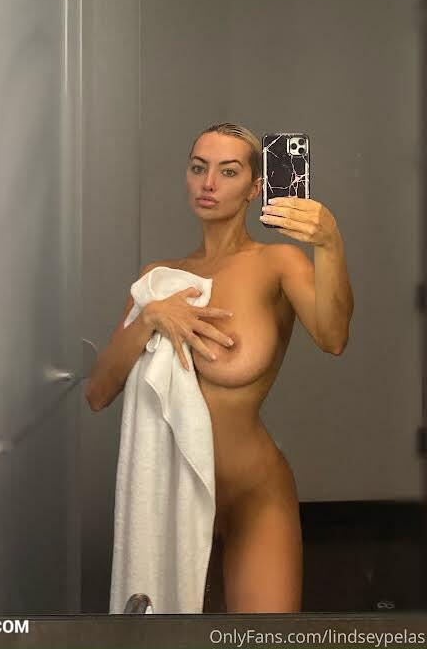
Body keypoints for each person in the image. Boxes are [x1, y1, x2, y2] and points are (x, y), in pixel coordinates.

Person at [85, 122, 354, 613]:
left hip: (253, 492)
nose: (208, 183)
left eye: (228, 172)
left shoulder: (277, 263)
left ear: (255, 188)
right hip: (170, 494)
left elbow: (334, 337)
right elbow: (98, 392)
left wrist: (330, 244)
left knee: (263, 642)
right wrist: (150, 319)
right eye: (198, 168)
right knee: (172, 640)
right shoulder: (157, 280)